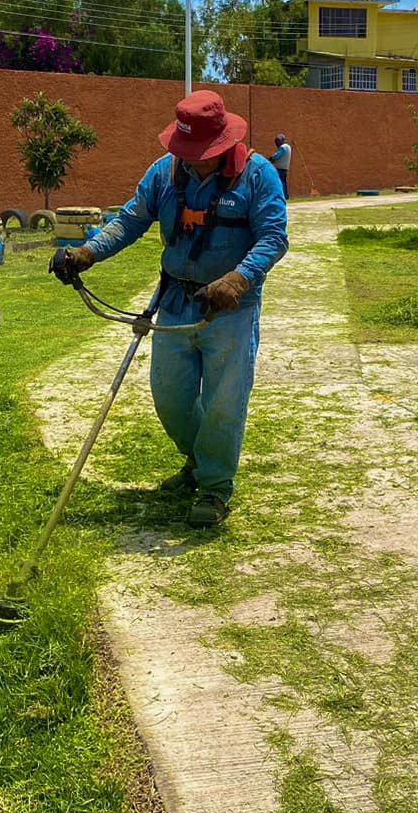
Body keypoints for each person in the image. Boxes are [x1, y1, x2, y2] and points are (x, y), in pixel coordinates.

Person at [51, 91, 289, 527]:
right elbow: (129, 219)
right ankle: (199, 463)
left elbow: (274, 237)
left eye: (204, 153)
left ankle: (215, 488)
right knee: (170, 399)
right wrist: (86, 252)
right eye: (188, 151)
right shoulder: (165, 173)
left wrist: (238, 278)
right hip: (175, 304)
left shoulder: (258, 176)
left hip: (229, 312)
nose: (195, 160)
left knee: (223, 403)